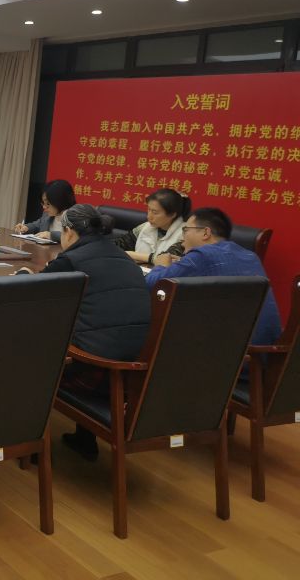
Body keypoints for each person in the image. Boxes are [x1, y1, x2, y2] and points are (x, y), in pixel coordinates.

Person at [27, 204, 151, 460]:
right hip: (137, 372)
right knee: (96, 332)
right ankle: (84, 440)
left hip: (96, 371)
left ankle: (33, 446)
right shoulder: (124, 258)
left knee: (31, 354)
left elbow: (33, 292)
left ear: (69, 232)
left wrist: (23, 274)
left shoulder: (71, 259)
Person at [146, 206, 281, 345]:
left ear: (206, 233)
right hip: (263, 348)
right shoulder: (250, 256)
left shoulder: (202, 255)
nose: (182, 237)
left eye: (185, 230)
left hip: (224, 350)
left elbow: (151, 285)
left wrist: (161, 265)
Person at [113, 188, 189, 264]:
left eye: (155, 212)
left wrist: (133, 255)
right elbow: (117, 246)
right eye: (149, 210)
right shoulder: (145, 227)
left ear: (172, 214)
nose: (149, 216)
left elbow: (167, 260)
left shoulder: (185, 234)